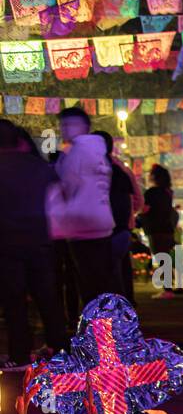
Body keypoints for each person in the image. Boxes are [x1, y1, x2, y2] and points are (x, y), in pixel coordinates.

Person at [0, 120, 67, 369]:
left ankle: (20, 353)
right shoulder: (40, 167)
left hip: (6, 243)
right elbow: (59, 197)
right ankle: (59, 348)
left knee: (14, 301)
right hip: (40, 239)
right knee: (48, 298)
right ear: (19, 141)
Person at [48, 106, 118, 307]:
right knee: (102, 281)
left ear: (85, 127)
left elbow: (68, 185)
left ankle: (97, 332)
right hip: (101, 220)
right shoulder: (99, 151)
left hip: (81, 222)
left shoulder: (76, 152)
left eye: (70, 124)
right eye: (63, 125)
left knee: (89, 283)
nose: (65, 129)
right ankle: (107, 330)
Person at [93, 131, 140, 303]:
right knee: (121, 270)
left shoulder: (92, 171)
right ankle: (126, 308)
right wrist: (128, 216)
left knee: (106, 274)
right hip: (122, 228)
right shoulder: (123, 170)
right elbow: (138, 199)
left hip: (101, 230)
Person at [140, 165, 179, 296]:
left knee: (162, 259)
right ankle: (169, 288)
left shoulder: (151, 192)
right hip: (167, 229)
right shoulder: (168, 192)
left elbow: (145, 209)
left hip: (155, 229)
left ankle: (167, 290)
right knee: (166, 258)